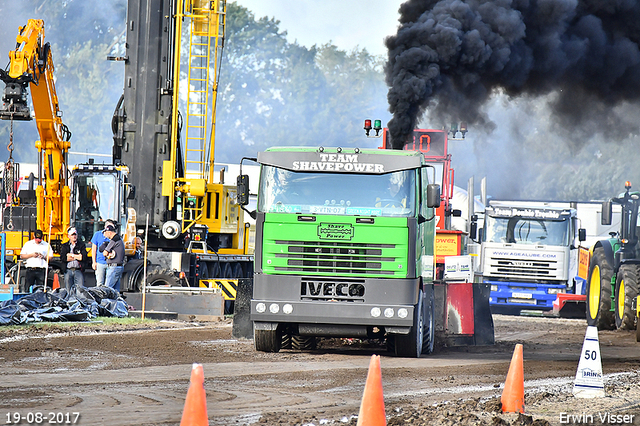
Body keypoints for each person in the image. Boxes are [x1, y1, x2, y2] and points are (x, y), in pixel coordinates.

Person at [59, 227, 88, 291]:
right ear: (69, 236)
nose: (74, 236)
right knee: (68, 289)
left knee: (80, 289)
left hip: (78, 270)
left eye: (75, 234)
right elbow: (63, 258)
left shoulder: (81, 245)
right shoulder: (65, 246)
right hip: (68, 270)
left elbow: (83, 257)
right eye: (72, 235)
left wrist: (71, 255)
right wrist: (77, 257)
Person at [99, 224, 125, 292]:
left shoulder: (114, 239)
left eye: (106, 232)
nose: (105, 234)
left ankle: (105, 302)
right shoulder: (119, 239)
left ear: (109, 232)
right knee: (115, 291)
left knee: (106, 289)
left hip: (114, 267)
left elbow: (105, 253)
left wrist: (106, 250)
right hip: (118, 267)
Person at [91, 219, 115, 287]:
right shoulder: (97, 234)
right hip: (100, 262)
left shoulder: (114, 237)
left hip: (110, 263)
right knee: (99, 283)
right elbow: (94, 249)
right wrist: (94, 262)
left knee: (109, 284)